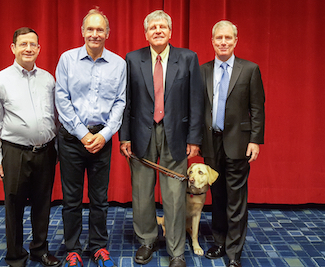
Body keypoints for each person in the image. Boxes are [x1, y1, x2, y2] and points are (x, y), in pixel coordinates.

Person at [119, 10, 204, 267]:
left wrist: (194, 139)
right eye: (153, 27)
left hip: (175, 135)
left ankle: (176, 251)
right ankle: (147, 240)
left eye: (162, 27)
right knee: (142, 193)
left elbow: (196, 102)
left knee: (175, 195)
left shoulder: (188, 58)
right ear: (146, 34)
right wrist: (124, 138)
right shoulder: (133, 59)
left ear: (170, 32)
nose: (158, 30)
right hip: (140, 135)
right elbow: (126, 102)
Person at [0, 27, 60, 267]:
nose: (28, 48)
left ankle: (39, 250)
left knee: (43, 204)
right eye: (23, 44)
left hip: (46, 151)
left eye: (33, 44)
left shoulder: (48, 79)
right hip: (14, 152)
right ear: (13, 48)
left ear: (39, 48)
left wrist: (56, 148)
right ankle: (15, 255)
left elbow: (55, 117)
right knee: (14, 205)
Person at [55, 8, 126, 267]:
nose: (95, 34)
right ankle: (72, 248)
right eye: (90, 29)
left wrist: (105, 135)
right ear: (82, 31)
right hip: (73, 139)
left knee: (100, 199)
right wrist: (83, 134)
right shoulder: (67, 60)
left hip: (102, 141)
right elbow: (61, 99)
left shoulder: (119, 64)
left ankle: (98, 247)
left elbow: (120, 102)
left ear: (107, 33)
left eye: (100, 30)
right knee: (71, 199)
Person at [200, 20, 265, 267]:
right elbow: (198, 109)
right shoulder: (203, 70)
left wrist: (255, 140)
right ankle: (218, 241)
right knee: (217, 195)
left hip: (239, 143)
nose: (223, 42)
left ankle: (234, 252)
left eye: (228, 38)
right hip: (210, 143)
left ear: (235, 41)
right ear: (213, 41)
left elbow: (257, 109)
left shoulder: (250, 70)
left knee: (236, 199)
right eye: (219, 38)